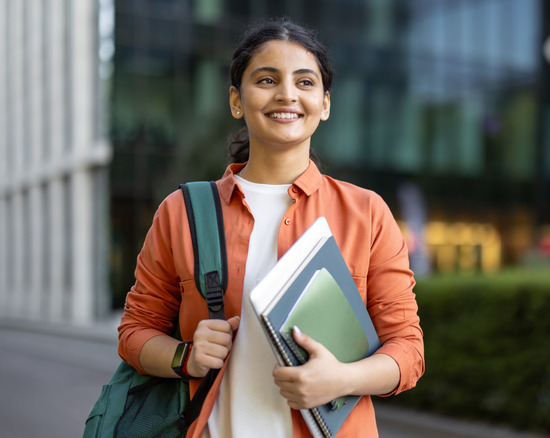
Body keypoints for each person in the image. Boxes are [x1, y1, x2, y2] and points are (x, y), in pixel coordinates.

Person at [117, 18, 425, 438]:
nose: (287, 95)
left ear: (325, 103)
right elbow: (135, 333)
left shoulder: (367, 213)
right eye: (266, 79)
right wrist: (183, 357)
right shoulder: (182, 212)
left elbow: (408, 352)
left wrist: (343, 379)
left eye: (304, 82)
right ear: (236, 100)